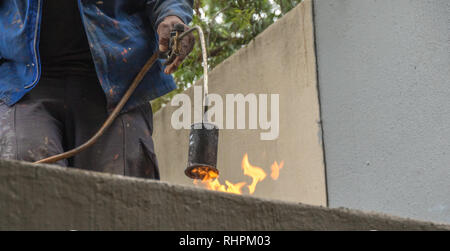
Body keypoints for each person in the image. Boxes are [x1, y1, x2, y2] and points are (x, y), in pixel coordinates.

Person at [0, 0, 195, 180]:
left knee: (124, 188)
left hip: (118, 85)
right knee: (24, 170)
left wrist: (172, 15)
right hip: (21, 86)